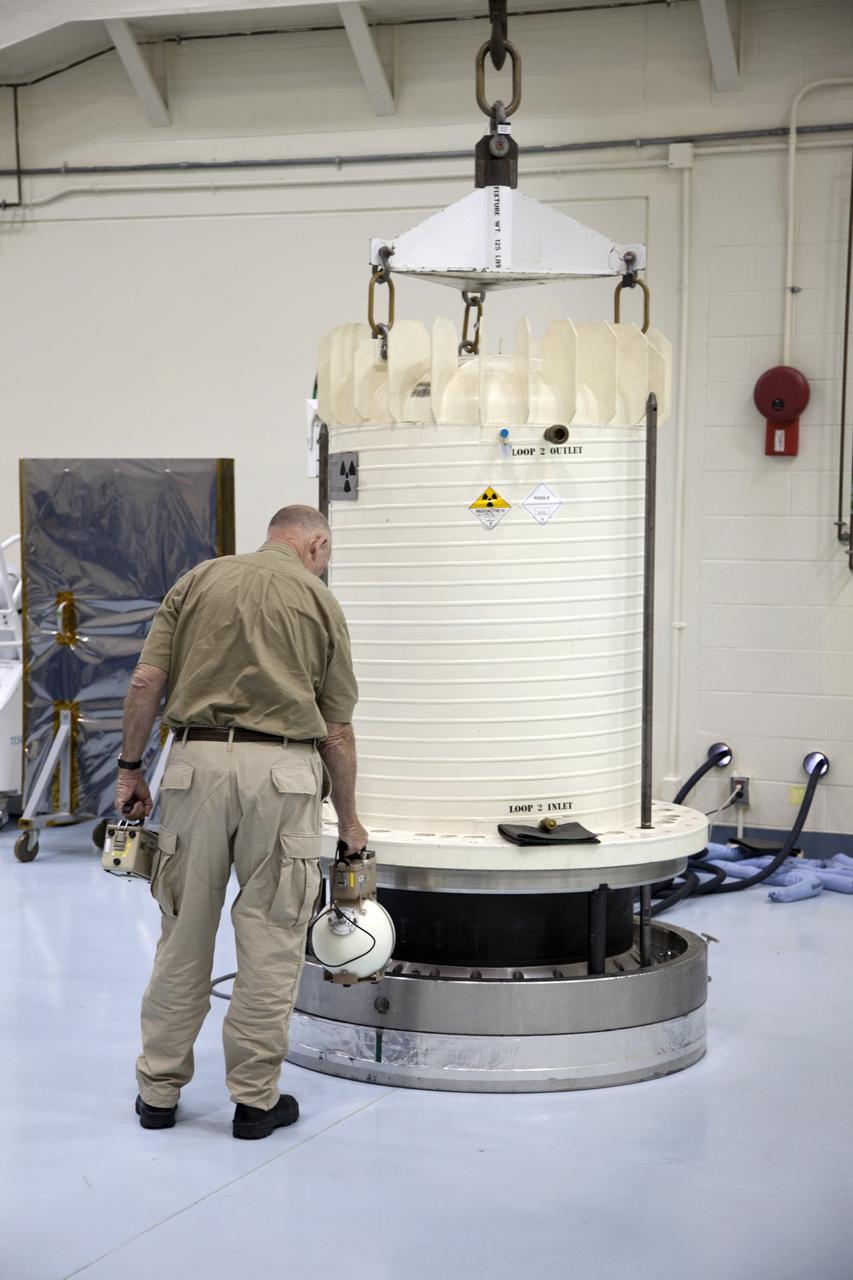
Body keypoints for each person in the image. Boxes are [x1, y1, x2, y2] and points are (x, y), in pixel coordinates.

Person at [115, 505, 366, 1140]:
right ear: (316, 544)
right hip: (282, 774)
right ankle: (255, 1102)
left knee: (182, 933)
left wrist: (129, 770)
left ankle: (159, 1094)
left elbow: (146, 681)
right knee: (271, 938)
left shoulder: (198, 580)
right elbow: (336, 729)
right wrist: (351, 821)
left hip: (192, 767)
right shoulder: (319, 601)